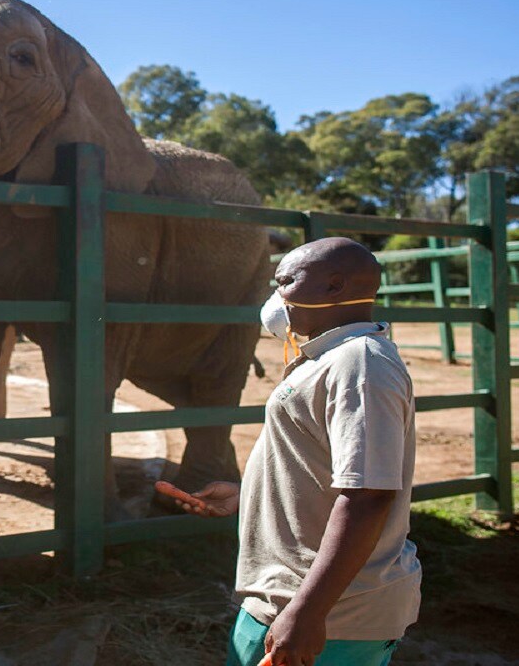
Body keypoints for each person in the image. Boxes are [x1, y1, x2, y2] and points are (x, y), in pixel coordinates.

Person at [174, 237, 421, 666]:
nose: (277, 296)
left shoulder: (360, 365)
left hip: (328, 614)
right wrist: (248, 494)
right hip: (286, 600)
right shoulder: (330, 358)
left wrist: (308, 613)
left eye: (286, 281)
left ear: (334, 286)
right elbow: (325, 465)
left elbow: (368, 496)